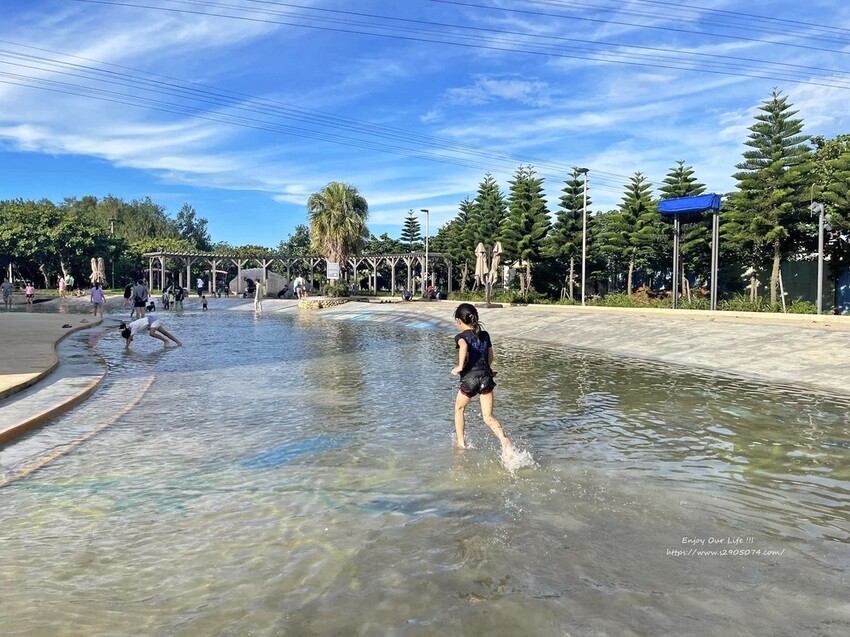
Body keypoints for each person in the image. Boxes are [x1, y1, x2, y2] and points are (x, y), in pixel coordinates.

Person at [450, 302, 512, 458]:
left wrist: (459, 366)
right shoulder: (485, 335)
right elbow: (491, 355)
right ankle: (503, 440)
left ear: (459, 321)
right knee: (488, 417)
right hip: (486, 378)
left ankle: (461, 444)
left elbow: (464, 347)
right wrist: (488, 369)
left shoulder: (461, 336)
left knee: (459, 409)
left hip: (470, 380)